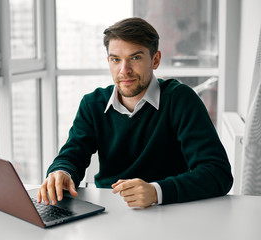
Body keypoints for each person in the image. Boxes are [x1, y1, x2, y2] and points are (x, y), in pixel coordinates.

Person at [37, 17, 233, 208]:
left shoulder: (180, 100)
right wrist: (61, 172)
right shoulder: (93, 104)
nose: (124, 70)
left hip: (167, 212)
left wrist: (156, 192)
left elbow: (217, 172)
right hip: (107, 212)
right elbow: (72, 156)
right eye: (116, 59)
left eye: (135, 57)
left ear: (155, 60)